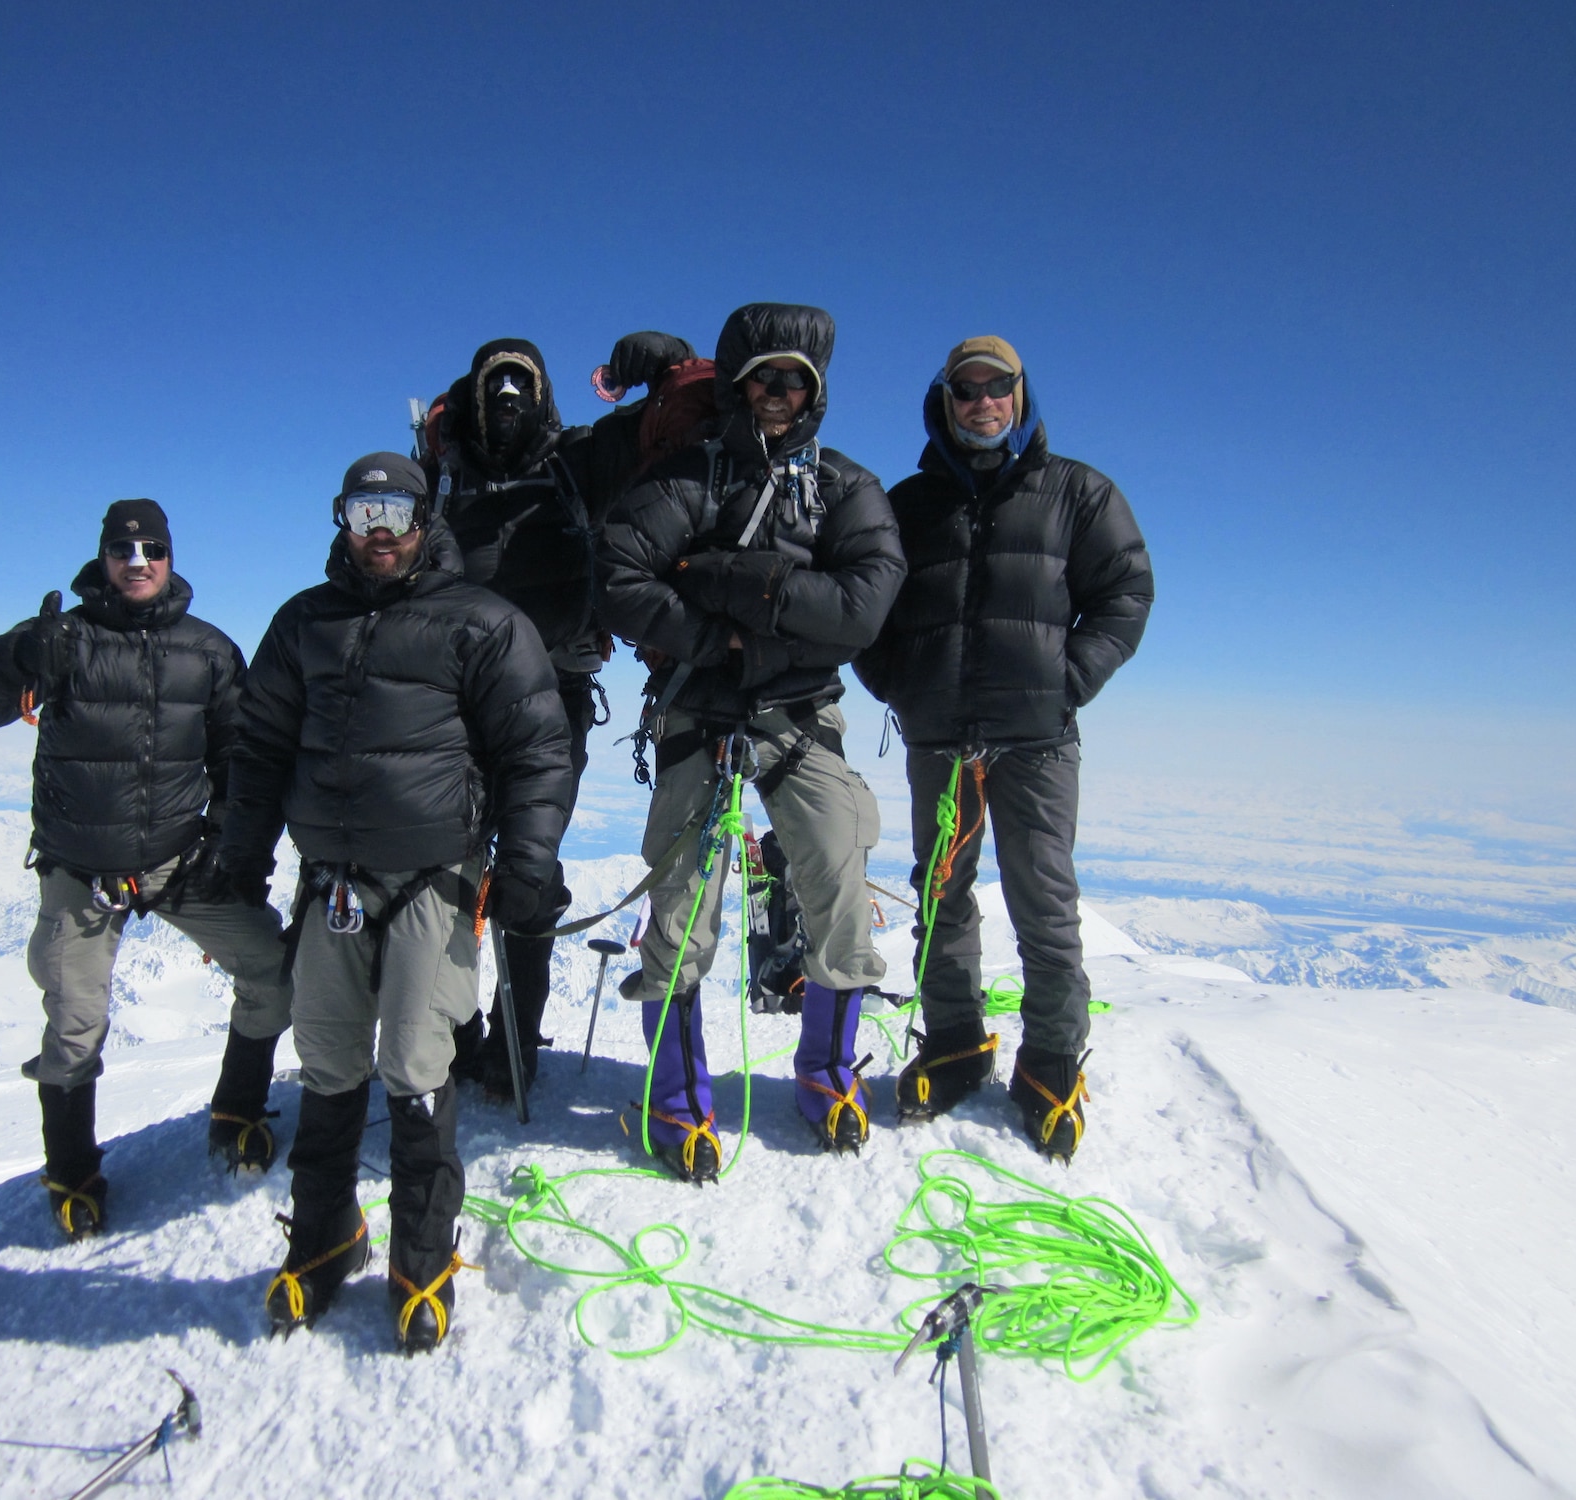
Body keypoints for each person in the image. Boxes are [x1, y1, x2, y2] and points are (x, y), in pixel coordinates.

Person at [217, 454, 571, 1351]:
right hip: (328, 879)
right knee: (331, 1062)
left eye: (397, 511)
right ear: (340, 518)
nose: (380, 529)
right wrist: (243, 849)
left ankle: (423, 1258)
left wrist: (528, 858)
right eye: (362, 510)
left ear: (426, 517)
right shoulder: (305, 623)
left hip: (431, 880)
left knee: (415, 1067)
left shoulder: (481, 622)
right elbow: (259, 746)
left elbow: (535, 747)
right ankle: (326, 1234)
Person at [597, 303, 906, 1177]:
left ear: (815, 392)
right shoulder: (691, 476)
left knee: (837, 880)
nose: (777, 393)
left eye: (794, 380)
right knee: (681, 898)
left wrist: (738, 593)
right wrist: (718, 642)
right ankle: (677, 1090)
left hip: (796, 712)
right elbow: (617, 577)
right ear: (738, 385)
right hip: (704, 703)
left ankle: (828, 1070)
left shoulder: (843, 487)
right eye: (763, 377)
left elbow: (866, 605)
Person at [0, 499, 295, 1241]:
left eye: (152, 551)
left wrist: (231, 849)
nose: (138, 564)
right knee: (76, 1027)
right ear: (103, 558)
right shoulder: (60, 641)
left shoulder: (208, 651)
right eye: (123, 551)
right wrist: (17, 659)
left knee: (272, 967)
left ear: (171, 557)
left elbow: (240, 757)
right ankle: (72, 1171)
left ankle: (238, 1107)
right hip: (80, 868)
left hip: (176, 858)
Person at [854, 336, 1153, 1161]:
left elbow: (1126, 592)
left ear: (1021, 396)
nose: (983, 403)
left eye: (998, 389)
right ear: (945, 400)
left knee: (1045, 902)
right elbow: (865, 602)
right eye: (967, 390)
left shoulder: (1077, 494)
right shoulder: (908, 503)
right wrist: (898, 683)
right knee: (941, 897)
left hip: (1037, 742)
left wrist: (1069, 681)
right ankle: (954, 1041)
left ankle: (1052, 1059)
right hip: (940, 737)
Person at [417, 336, 668, 1101]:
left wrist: (646, 361)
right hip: (455, 699)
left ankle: (513, 1042)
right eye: (495, 384)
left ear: (543, 394)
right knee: (448, 864)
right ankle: (461, 1035)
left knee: (527, 868)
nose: (507, 400)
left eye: (521, 383)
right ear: (473, 393)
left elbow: (680, 407)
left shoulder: (577, 461)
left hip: (553, 698)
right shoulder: (441, 473)